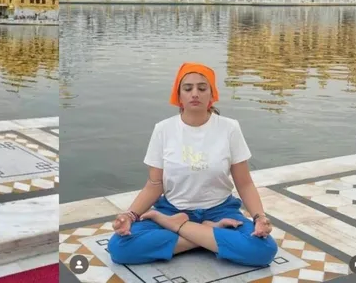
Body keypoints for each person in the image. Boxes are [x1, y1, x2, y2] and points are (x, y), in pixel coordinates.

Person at [107, 62, 278, 267]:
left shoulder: (229, 128)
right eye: (188, 89)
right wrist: (129, 215)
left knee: (264, 250)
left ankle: (180, 228)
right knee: (119, 247)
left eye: (202, 88)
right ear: (179, 96)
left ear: (212, 94)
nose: (195, 93)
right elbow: (154, 184)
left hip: (220, 211)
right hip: (172, 209)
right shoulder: (164, 130)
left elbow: (244, 183)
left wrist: (259, 217)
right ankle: (210, 234)